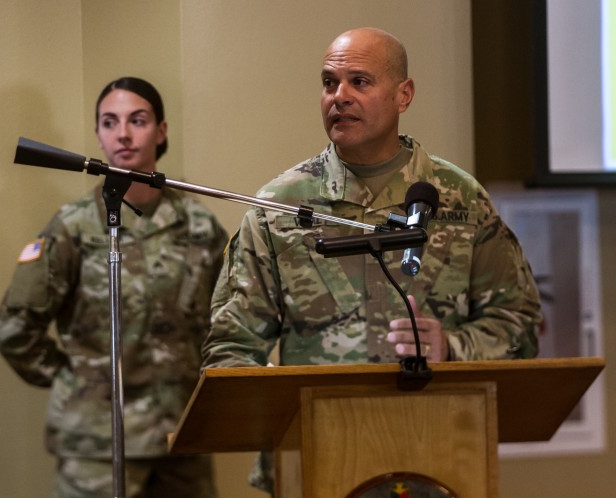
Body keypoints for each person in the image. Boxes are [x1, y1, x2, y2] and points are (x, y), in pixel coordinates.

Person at [200, 28, 541, 493]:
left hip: (440, 456)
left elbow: (519, 324)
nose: (339, 97)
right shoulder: (279, 207)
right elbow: (230, 347)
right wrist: (274, 401)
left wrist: (452, 348)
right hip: (316, 459)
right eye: (329, 83)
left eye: (359, 82)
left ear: (404, 94)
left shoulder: (460, 199)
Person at [0, 76, 228, 497]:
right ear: (98, 136)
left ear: (161, 131)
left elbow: (225, 321)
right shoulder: (73, 226)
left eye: (137, 120)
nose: (122, 133)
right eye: (109, 122)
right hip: (97, 447)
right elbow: (16, 329)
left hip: (181, 439)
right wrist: (76, 380)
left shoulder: (198, 225)